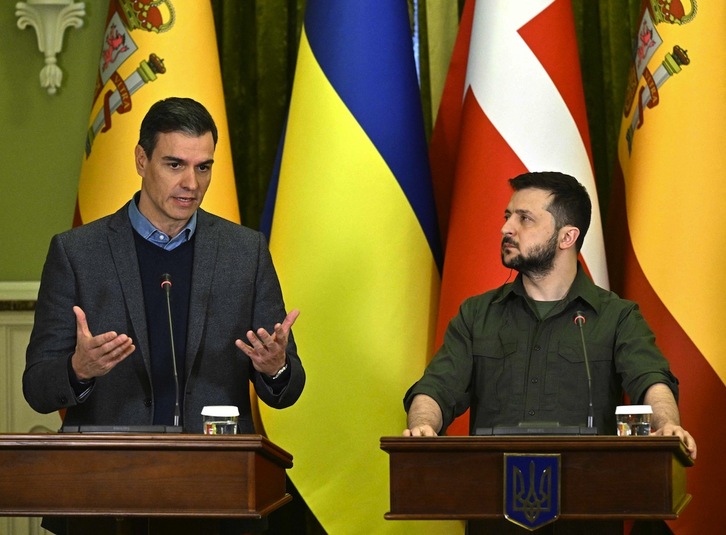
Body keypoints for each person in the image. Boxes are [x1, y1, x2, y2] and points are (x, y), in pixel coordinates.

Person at [24, 97, 304, 534]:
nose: (191, 182)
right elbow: (37, 388)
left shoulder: (244, 252)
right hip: (105, 495)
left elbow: (287, 390)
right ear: (141, 159)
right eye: (175, 165)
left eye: (204, 167)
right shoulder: (77, 253)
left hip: (218, 494)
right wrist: (78, 370)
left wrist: (276, 367)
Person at [403, 171, 697, 459]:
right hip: (489, 490)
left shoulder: (617, 316)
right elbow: (437, 388)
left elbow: (651, 381)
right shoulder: (477, 314)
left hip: (591, 489)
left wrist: (668, 424)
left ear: (567, 237)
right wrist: (422, 426)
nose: (506, 228)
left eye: (524, 218)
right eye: (507, 217)